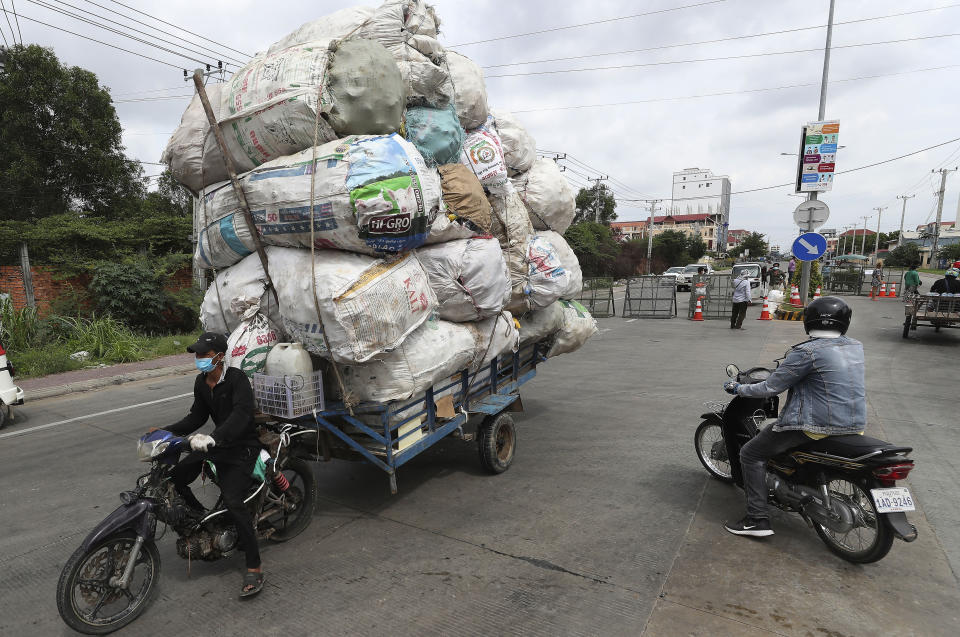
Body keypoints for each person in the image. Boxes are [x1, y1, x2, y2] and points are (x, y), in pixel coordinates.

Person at [721, 297, 865, 537]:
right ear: (844, 322)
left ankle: (757, 519)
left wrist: (738, 389)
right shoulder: (855, 346)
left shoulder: (806, 351)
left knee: (750, 453)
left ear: (808, 321)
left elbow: (770, 388)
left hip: (812, 425)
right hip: (853, 423)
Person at [162, 332, 265, 598]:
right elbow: (195, 416)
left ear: (219, 356)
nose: (198, 360)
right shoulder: (201, 382)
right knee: (175, 479)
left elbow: (242, 415)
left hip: (242, 448)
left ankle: (254, 565)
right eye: (196, 355)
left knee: (234, 502)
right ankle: (204, 520)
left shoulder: (236, 379)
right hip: (216, 446)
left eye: (203, 355)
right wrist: (165, 433)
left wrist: (213, 437)